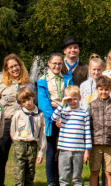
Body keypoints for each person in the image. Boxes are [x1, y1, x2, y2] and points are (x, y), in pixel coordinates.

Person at [0, 54, 34, 186]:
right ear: (6, 70)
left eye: (15, 65)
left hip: (23, 124)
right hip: (6, 122)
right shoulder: (2, 84)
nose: (14, 69)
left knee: (23, 157)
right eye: (10, 67)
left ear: (20, 65)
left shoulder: (28, 84)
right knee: (1, 156)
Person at [38, 53, 74, 186]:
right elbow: (43, 103)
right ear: (49, 63)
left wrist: (63, 116)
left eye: (59, 63)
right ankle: (51, 181)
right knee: (51, 151)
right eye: (54, 63)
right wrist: (55, 118)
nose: (57, 66)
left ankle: (62, 180)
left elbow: (71, 96)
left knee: (64, 152)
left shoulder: (67, 79)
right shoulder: (43, 80)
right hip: (50, 118)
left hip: (65, 116)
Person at [53, 85, 92, 186]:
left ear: (79, 98)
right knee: (63, 177)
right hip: (64, 149)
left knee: (77, 177)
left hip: (78, 150)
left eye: (75, 99)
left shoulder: (84, 113)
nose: (72, 102)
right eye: (69, 99)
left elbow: (87, 132)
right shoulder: (64, 112)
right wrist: (62, 104)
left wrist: (87, 150)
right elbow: (53, 118)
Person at [89, 76, 111, 186]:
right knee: (94, 171)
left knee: (109, 171)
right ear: (97, 89)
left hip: (110, 143)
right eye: (101, 89)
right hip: (95, 143)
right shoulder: (92, 105)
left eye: (106, 89)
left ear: (110, 90)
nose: (104, 92)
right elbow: (88, 124)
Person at [10, 86, 46, 186]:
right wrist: (17, 142)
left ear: (33, 97)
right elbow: (13, 130)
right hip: (20, 145)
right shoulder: (18, 114)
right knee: (19, 175)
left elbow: (42, 134)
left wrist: (41, 152)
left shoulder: (39, 115)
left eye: (29, 99)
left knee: (30, 174)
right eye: (24, 101)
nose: (27, 103)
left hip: (32, 145)